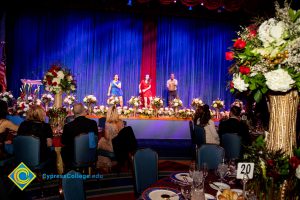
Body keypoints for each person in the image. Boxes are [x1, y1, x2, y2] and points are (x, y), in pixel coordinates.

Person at [61, 103, 98, 170]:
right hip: (90, 156)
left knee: (63, 149)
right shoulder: (93, 123)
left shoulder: (68, 126)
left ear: (73, 113)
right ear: (84, 111)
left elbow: (63, 142)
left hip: (73, 158)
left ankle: (68, 174)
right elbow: (94, 141)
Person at [97, 106, 124, 171]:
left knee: (100, 142)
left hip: (112, 146)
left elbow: (107, 137)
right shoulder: (121, 122)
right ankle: (112, 162)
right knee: (101, 142)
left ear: (109, 113)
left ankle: (106, 164)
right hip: (120, 146)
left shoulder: (107, 123)